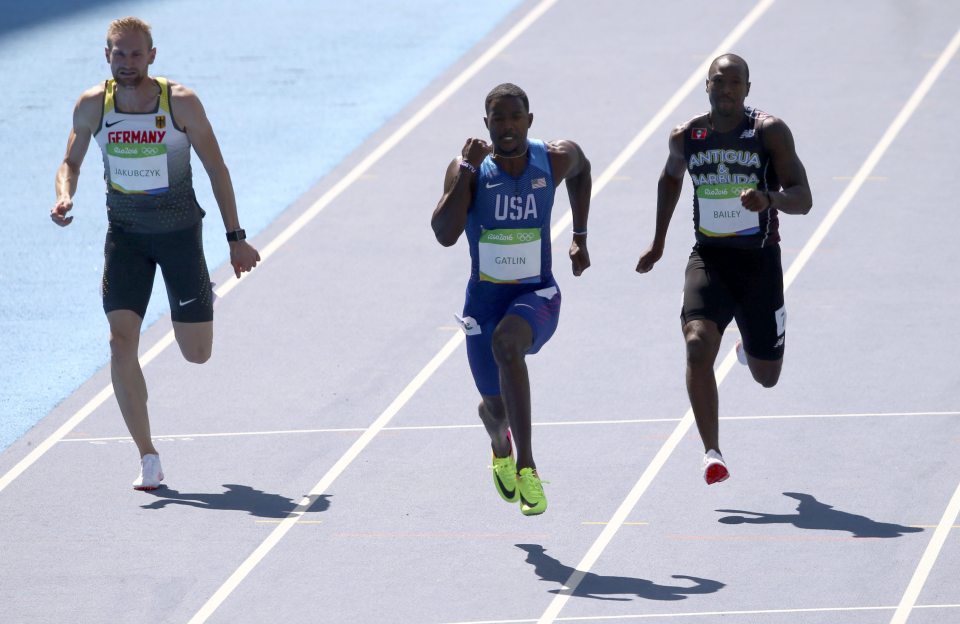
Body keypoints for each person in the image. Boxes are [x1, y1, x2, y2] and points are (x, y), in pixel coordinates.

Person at [50, 17, 260, 490]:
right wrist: (65, 194)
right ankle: (148, 456)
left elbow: (216, 168)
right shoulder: (93, 107)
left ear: (152, 55)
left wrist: (235, 237)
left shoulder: (179, 103)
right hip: (126, 237)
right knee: (120, 341)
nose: (127, 63)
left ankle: (198, 289)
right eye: (118, 54)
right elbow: (70, 162)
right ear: (107, 56)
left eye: (135, 54)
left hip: (180, 235)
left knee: (197, 354)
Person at [636, 54, 812, 484]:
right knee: (696, 344)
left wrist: (769, 199)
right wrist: (658, 243)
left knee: (768, 377)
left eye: (736, 83)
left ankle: (749, 354)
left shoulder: (768, 132)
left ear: (747, 89)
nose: (727, 89)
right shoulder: (688, 136)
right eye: (720, 81)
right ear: (707, 85)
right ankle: (712, 452)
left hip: (759, 262)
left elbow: (803, 197)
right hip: (709, 258)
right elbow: (670, 179)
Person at [432, 83, 591, 516]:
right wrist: (466, 170)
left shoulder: (553, 157)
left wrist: (579, 236)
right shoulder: (468, 169)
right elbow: (444, 234)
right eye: (497, 119)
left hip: (536, 293)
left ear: (529, 121)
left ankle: (527, 465)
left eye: (514, 117)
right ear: (485, 125)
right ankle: (500, 445)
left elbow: (583, 168)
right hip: (482, 303)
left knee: (508, 345)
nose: (506, 127)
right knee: (495, 409)